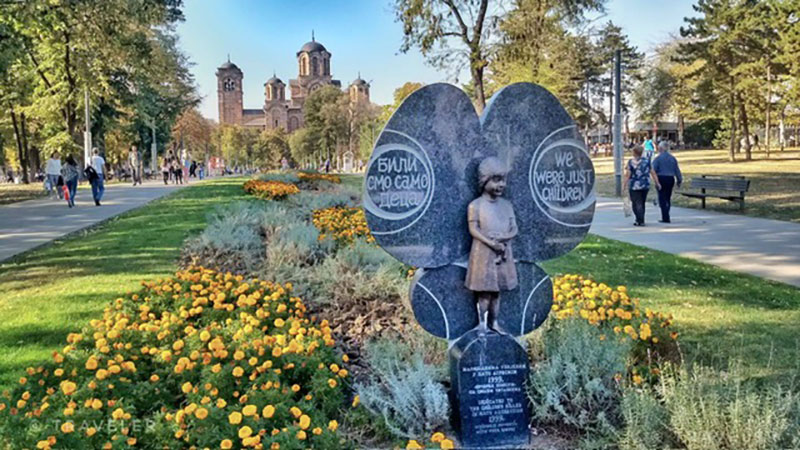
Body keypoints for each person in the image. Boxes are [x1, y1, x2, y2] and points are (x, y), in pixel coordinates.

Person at [465, 157, 518, 333]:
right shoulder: (476, 206)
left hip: (502, 253)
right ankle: (481, 323)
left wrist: (504, 238)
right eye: (496, 180)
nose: (501, 184)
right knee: (484, 291)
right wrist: (490, 243)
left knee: (497, 292)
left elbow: (514, 228)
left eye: (503, 180)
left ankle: (494, 323)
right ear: (484, 180)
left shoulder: (507, 205)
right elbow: (473, 229)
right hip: (483, 254)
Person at [624, 145, 660, 226]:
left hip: (634, 185)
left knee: (635, 203)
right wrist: (657, 182)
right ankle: (641, 218)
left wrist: (624, 184)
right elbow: (652, 172)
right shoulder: (647, 161)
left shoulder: (631, 162)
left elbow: (628, 174)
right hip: (645, 184)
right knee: (642, 202)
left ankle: (639, 219)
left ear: (634, 153)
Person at [652, 141, 683, 223]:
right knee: (667, 197)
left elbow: (653, 170)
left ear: (661, 148)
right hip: (670, 178)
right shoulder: (672, 158)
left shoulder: (658, 159)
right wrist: (679, 180)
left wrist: (655, 181)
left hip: (661, 178)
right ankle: (666, 214)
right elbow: (677, 170)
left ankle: (665, 216)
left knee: (662, 197)